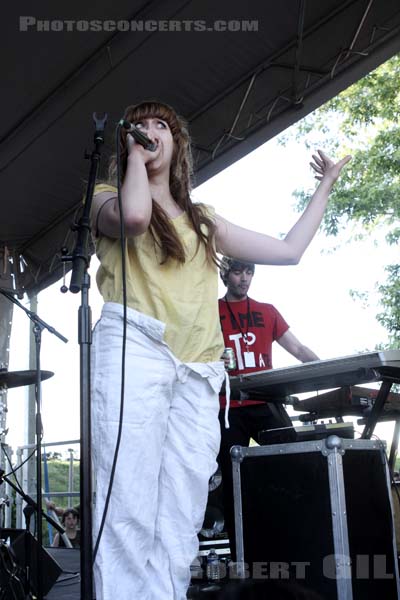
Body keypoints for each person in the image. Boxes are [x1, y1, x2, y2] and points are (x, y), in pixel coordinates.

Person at [89, 99, 351, 600]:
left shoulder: (202, 219)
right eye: (139, 126)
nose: (148, 131)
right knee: (126, 500)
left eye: (160, 125)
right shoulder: (107, 196)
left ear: (178, 142)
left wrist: (326, 185)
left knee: (182, 509)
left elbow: (289, 251)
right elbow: (138, 217)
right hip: (135, 349)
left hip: (199, 369)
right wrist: (133, 161)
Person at [217, 257, 319, 559]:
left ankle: (298, 544)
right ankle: (240, 560)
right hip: (227, 406)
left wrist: (330, 370)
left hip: (266, 401)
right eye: (237, 272)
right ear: (225, 274)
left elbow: (298, 349)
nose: (244, 278)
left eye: (249, 272)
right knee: (231, 480)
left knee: (295, 465)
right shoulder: (209, 311)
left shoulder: (267, 311)